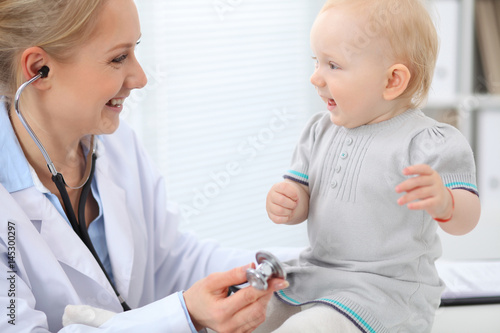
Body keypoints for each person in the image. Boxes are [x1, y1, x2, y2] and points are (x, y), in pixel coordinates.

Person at [0, 0, 291, 332]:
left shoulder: (115, 143)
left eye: (135, 50)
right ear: (39, 68)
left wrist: (298, 266)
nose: (140, 78)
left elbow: (171, 262)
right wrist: (183, 316)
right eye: (119, 58)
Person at [263, 0, 481, 332]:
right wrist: (289, 199)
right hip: (316, 276)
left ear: (392, 81)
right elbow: (303, 196)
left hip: (384, 292)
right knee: (248, 312)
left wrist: (446, 202)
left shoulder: (427, 142)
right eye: (316, 61)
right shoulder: (319, 130)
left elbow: (466, 219)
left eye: (332, 65)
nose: (315, 77)